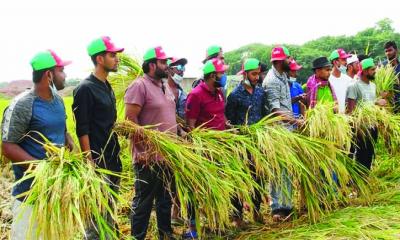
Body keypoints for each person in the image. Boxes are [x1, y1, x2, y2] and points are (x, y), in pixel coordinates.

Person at [1, 50, 72, 240]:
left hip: (57, 192)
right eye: (61, 70)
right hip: (29, 196)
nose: (65, 75)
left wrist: (68, 138)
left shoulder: (58, 101)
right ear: (49, 74)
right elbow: (8, 146)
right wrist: (41, 168)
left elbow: (61, 128)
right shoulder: (23, 105)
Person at [72, 36, 124, 239]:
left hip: (113, 159)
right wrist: (89, 162)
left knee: (109, 213)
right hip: (97, 162)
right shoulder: (85, 89)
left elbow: (108, 122)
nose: (117, 59)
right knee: (95, 219)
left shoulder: (107, 86)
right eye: (113, 55)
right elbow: (82, 128)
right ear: (100, 59)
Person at [125, 46, 176, 240]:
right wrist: (142, 151)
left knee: (165, 200)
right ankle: (137, 237)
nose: (167, 66)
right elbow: (130, 122)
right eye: (163, 62)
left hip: (167, 156)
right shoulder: (139, 86)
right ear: (152, 65)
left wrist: (180, 132)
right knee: (144, 202)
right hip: (147, 158)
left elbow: (168, 115)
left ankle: (166, 234)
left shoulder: (165, 86)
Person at [183, 58, 228, 238]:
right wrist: (201, 146)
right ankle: (193, 227)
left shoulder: (219, 92)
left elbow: (220, 117)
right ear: (211, 76)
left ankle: (216, 222)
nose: (223, 76)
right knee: (196, 188)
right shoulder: (195, 95)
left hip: (220, 148)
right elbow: (190, 125)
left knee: (217, 187)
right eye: (221, 73)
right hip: (203, 150)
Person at [225, 58, 268, 227]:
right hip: (241, 144)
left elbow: (263, 114)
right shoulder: (235, 95)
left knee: (258, 177)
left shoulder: (260, 92)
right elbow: (229, 119)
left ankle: (257, 211)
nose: (257, 77)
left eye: (258, 74)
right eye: (253, 74)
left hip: (258, 142)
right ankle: (237, 216)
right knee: (239, 180)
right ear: (245, 74)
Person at [263, 46, 301, 222]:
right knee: (278, 170)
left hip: (288, 130)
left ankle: (287, 204)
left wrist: (297, 101)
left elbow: (284, 103)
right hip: (278, 132)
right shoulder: (271, 81)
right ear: (279, 61)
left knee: (287, 170)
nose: (290, 61)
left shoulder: (284, 77)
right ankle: (277, 208)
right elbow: (275, 110)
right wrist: (297, 121)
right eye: (288, 58)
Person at [346, 58, 387, 170]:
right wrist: (357, 129)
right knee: (361, 156)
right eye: (372, 69)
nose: (375, 71)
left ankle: (366, 179)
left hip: (372, 126)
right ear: (364, 71)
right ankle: (358, 181)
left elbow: (371, 105)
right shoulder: (354, 86)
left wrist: (380, 102)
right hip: (361, 129)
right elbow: (351, 110)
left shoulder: (373, 86)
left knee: (370, 154)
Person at [166, 56, 188, 225]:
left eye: (183, 67)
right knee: (166, 179)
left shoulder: (182, 92)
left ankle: (177, 212)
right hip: (165, 141)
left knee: (179, 178)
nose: (182, 70)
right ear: (169, 69)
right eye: (179, 66)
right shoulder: (162, 89)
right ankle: (166, 215)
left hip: (182, 140)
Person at [328, 49, 354, 113]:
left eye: (346, 60)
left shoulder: (348, 80)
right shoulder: (327, 80)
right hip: (332, 119)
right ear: (335, 62)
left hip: (345, 119)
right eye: (343, 60)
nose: (346, 62)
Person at [382, 40, 400, 113]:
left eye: (390, 50)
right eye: (386, 51)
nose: (388, 53)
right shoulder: (382, 67)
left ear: (396, 50)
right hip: (386, 106)